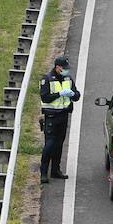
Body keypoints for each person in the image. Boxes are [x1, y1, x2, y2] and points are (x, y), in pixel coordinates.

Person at [39, 54, 80, 182]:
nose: (67, 70)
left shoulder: (68, 78)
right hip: (51, 116)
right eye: (65, 68)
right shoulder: (47, 79)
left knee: (59, 144)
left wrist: (73, 94)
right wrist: (59, 94)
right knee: (49, 145)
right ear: (58, 67)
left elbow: (77, 95)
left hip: (63, 115)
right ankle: (44, 173)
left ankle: (55, 170)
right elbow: (44, 97)